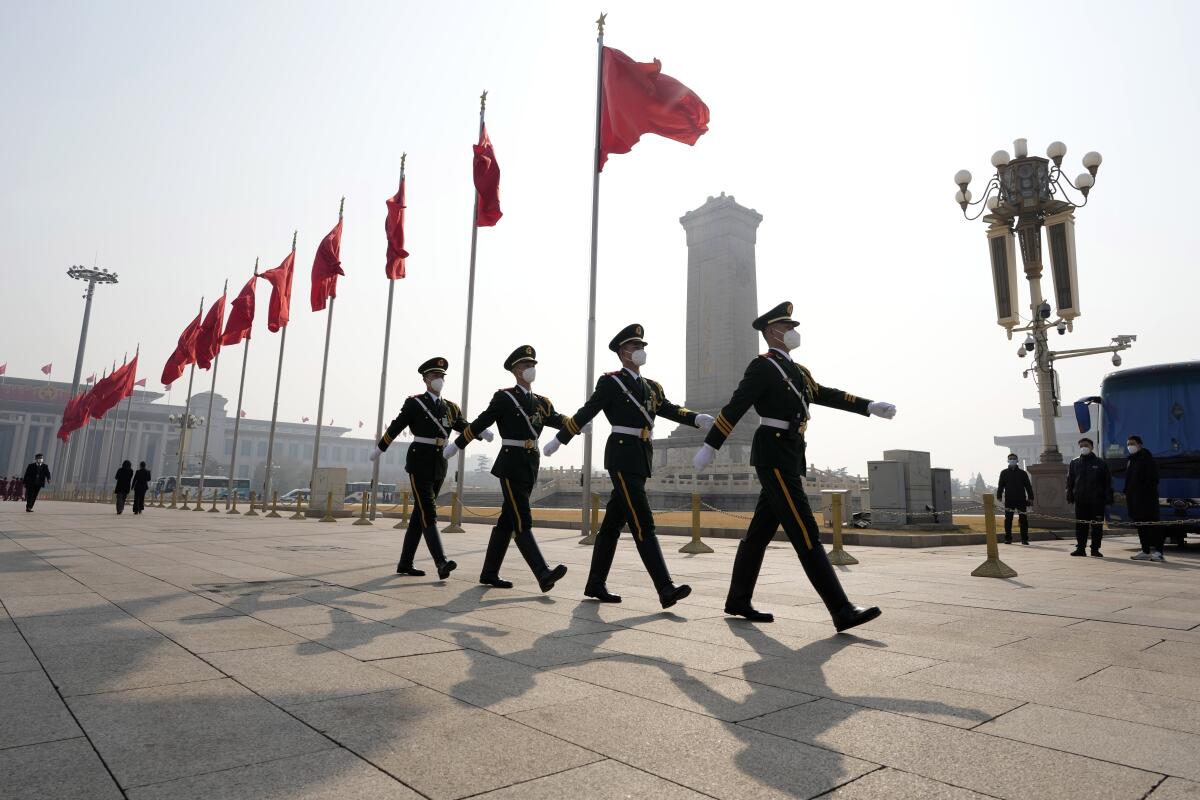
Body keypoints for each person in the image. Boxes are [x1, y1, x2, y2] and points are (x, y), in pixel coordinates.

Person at [692, 301, 896, 632]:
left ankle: (738, 600)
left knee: (759, 532)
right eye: (787, 328)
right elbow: (736, 406)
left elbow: (824, 393)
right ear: (772, 332)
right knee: (804, 528)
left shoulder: (798, 371)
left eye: (792, 327)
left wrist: (868, 406)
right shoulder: (762, 367)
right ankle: (841, 609)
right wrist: (710, 445)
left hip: (790, 453)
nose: (792, 332)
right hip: (772, 454)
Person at [545, 324, 713, 609]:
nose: (641, 351)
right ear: (623, 352)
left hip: (641, 456)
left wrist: (696, 418)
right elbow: (588, 410)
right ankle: (665, 587)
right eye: (635, 347)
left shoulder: (651, 387)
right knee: (642, 522)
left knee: (612, 525)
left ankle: (595, 584)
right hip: (622, 456)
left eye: (642, 347)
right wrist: (561, 438)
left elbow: (669, 408)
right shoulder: (611, 382)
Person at [444, 345, 574, 592]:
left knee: (507, 521)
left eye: (532, 365)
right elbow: (481, 422)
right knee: (522, 518)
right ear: (515, 370)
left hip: (530, 463)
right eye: (525, 366)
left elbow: (558, 419)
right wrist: (457, 445)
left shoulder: (541, 402)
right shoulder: (504, 397)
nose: (530, 369)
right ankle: (542, 573)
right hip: (510, 464)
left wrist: (577, 424)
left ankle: (489, 573)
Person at [371, 357, 468, 580]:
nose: (438, 380)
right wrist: (381, 448)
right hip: (419, 460)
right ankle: (441, 561)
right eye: (434, 376)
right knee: (429, 511)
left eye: (441, 376)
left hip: (440, 462)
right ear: (425, 379)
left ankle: (405, 563)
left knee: (419, 515)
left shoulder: (451, 408)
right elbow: (397, 425)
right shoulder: (415, 403)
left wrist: (480, 431)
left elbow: (462, 425)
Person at [1066, 436, 1112, 557]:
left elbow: (1107, 481)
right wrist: (1070, 494)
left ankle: (1095, 549)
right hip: (1081, 500)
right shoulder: (1074, 462)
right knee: (1081, 526)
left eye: (1086, 445)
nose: (1083, 448)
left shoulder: (1100, 463)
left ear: (1091, 447)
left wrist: (1108, 496)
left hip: (1097, 500)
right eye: (1081, 446)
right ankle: (1080, 548)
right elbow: (1070, 480)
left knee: (1097, 527)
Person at [1123, 435, 1162, 562]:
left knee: (1152, 526)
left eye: (1132, 443)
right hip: (1134, 500)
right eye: (1128, 444)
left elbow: (1153, 480)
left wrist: (1142, 492)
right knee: (1141, 526)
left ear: (1139, 444)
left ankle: (1159, 552)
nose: (1130, 446)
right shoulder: (1131, 460)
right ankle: (1145, 550)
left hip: (1147, 500)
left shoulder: (1147, 459)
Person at [996, 454, 1034, 545]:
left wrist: (1031, 498)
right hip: (1009, 500)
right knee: (1008, 520)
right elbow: (1000, 485)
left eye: (1014, 459)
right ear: (1008, 461)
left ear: (1017, 461)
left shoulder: (1022, 473)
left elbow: (1028, 486)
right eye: (1010, 459)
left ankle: (1024, 539)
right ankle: (1008, 538)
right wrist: (999, 496)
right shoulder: (1004, 473)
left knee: (1023, 520)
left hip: (1021, 499)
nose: (1012, 460)